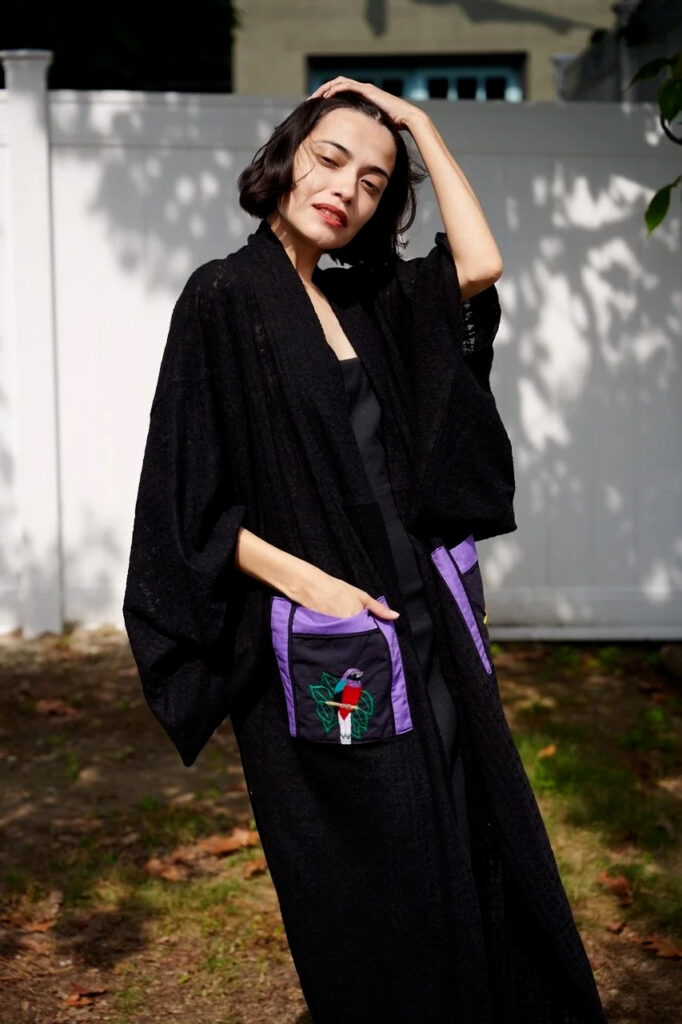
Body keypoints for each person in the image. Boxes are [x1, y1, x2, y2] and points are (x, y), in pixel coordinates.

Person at [123, 78, 608, 1023]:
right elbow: (184, 507)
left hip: (428, 618)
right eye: (331, 158)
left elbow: (480, 262)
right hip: (334, 636)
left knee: (466, 820)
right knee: (371, 861)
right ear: (287, 157)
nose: (347, 188)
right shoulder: (224, 297)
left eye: (375, 181)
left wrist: (418, 122)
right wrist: (312, 584)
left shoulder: (367, 298)